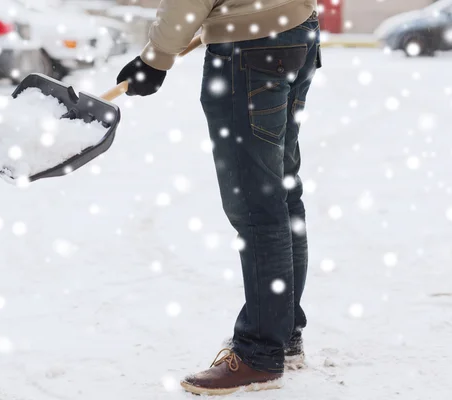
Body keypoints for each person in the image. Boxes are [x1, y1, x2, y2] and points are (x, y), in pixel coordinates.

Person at [116, 0, 321, 396]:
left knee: (257, 204)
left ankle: (260, 353)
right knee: (280, 193)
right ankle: (283, 333)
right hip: (296, 33)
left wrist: (156, 58)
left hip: (252, 49)